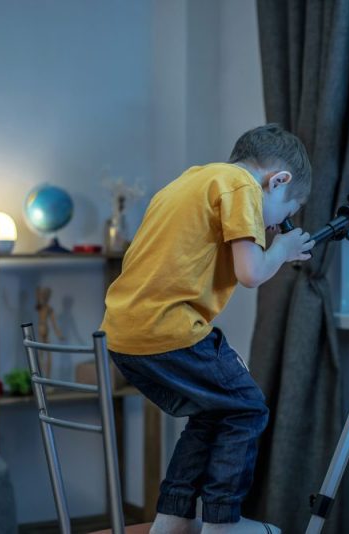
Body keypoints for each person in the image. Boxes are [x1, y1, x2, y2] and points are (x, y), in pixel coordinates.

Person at [100, 124, 313, 534]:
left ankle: (173, 519)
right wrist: (282, 250)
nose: (276, 227)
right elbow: (251, 273)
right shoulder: (241, 186)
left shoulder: (191, 180)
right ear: (277, 181)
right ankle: (222, 523)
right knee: (248, 407)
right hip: (167, 328)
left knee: (211, 412)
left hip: (124, 333)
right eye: (285, 214)